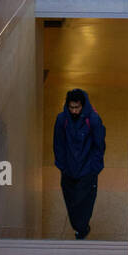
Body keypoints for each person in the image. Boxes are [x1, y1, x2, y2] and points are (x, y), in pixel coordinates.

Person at [52, 89, 106, 239]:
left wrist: (94, 167)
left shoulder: (93, 120)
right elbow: (58, 143)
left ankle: (81, 229)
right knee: (71, 202)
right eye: (71, 108)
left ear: (83, 105)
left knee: (84, 202)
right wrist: (62, 165)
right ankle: (80, 228)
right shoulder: (62, 120)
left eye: (77, 107)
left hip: (87, 170)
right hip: (68, 169)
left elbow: (99, 145)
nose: (74, 111)